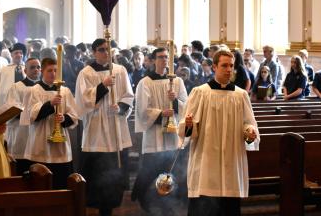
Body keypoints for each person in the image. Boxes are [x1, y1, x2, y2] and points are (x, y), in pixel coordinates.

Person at [178, 49, 259, 216]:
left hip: (231, 159)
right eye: (224, 65)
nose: (229, 69)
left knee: (228, 207)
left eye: (231, 66)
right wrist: (188, 125)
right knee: (204, 206)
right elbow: (186, 129)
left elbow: (248, 124)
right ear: (214, 67)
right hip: (207, 161)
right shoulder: (200, 93)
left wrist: (250, 133)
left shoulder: (240, 95)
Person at [75, 38, 134, 216]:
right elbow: (82, 101)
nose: (106, 53)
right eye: (101, 50)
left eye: (109, 49)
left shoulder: (120, 70)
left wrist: (121, 106)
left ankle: (113, 203)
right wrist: (103, 86)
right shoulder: (86, 73)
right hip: (96, 130)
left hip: (115, 125)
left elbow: (128, 95)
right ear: (94, 52)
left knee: (114, 172)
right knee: (98, 172)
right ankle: (97, 206)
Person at [132, 47, 188, 215]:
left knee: (171, 170)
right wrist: (161, 113)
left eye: (166, 57)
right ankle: (145, 200)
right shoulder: (145, 82)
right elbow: (142, 110)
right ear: (153, 60)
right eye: (160, 57)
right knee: (150, 170)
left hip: (171, 136)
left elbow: (187, 105)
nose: (164, 60)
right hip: (154, 135)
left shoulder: (177, 82)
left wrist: (175, 102)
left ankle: (168, 201)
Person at [20, 57, 78, 189]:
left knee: (61, 183)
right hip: (40, 141)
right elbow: (30, 115)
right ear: (42, 71)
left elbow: (74, 115)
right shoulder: (33, 90)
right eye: (49, 70)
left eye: (56, 70)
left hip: (60, 145)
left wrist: (64, 119)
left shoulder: (65, 91)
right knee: (40, 183)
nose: (53, 73)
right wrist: (50, 105)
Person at [5, 58, 41, 175]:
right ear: (25, 70)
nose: (36, 70)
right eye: (32, 67)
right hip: (21, 133)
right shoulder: (16, 87)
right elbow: (12, 110)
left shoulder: (44, 88)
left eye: (38, 67)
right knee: (21, 170)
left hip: (38, 133)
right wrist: (34, 115)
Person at [0, 43, 26, 110]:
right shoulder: (4, 70)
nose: (19, 55)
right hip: (7, 105)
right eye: (16, 53)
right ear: (11, 55)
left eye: (21, 53)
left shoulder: (27, 69)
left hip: (24, 104)